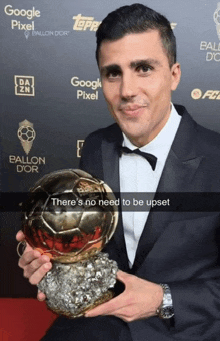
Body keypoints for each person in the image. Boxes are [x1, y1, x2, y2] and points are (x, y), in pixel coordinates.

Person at [16, 4, 220, 340]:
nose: (126, 90)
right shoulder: (97, 146)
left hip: (185, 329)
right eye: (113, 72)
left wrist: (162, 298)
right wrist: (42, 255)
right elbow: (88, 250)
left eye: (143, 68)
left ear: (174, 74)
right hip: (98, 323)